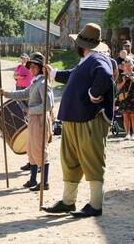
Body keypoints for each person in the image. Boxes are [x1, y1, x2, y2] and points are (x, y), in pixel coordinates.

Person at [41, 23, 114, 218]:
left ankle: (95, 205)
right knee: (70, 161)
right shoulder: (86, 61)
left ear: (82, 44)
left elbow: (105, 76)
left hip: (88, 119)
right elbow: (73, 76)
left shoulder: (99, 58)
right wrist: (53, 73)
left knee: (92, 161)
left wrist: (93, 94)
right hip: (74, 118)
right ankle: (68, 202)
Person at [0, 55, 53, 191]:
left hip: (40, 120)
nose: (32, 69)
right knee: (31, 150)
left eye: (35, 67)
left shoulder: (43, 83)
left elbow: (48, 105)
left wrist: (30, 110)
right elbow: (23, 93)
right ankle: (33, 179)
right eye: (31, 67)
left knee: (40, 150)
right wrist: (6, 94)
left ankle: (44, 182)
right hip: (33, 119)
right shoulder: (35, 83)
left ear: (41, 68)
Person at [116, 57, 134, 140]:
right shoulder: (121, 75)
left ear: (132, 66)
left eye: (130, 65)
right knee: (125, 116)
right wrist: (124, 81)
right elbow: (118, 88)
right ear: (124, 67)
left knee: (133, 116)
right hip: (124, 98)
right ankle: (127, 133)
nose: (128, 67)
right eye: (126, 66)